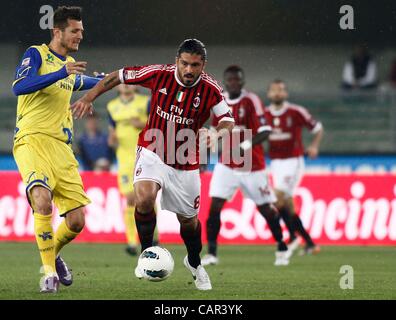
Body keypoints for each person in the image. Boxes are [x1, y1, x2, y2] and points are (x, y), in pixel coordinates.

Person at [71, 39, 235, 291]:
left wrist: (216, 134)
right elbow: (118, 77)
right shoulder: (158, 74)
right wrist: (89, 96)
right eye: (184, 64)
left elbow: (227, 120)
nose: (189, 70)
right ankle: (146, 252)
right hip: (152, 150)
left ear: (203, 65)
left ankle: (194, 263)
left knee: (189, 222)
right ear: (177, 60)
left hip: (185, 160)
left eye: (195, 65)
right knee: (144, 198)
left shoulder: (211, 88)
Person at [12, 6, 103, 293]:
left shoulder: (71, 67)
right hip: (32, 139)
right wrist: (60, 72)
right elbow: (20, 86)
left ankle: (54, 253)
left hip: (62, 149)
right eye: (75, 30)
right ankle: (48, 274)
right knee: (42, 200)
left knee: (76, 222)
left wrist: (126, 78)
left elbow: (93, 81)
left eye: (82, 31)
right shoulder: (36, 54)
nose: (80, 36)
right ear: (57, 31)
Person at [201, 65, 291, 267]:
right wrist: (205, 160)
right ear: (225, 81)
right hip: (226, 164)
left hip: (252, 166)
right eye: (230, 80)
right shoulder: (219, 100)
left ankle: (282, 246)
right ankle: (212, 253)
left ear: (242, 82)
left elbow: (266, 131)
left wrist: (245, 145)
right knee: (214, 207)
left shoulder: (251, 101)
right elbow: (213, 132)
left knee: (266, 209)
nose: (234, 83)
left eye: (237, 80)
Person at [264, 79, 323, 255]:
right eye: (274, 90)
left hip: (293, 161)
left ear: (285, 93)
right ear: (269, 94)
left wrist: (314, 146)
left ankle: (292, 237)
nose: (277, 93)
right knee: (287, 206)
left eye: (280, 90)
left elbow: (318, 128)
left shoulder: (296, 112)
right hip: (275, 162)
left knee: (277, 198)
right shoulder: (265, 114)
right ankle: (309, 243)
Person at [107, 84, 158, 256]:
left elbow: (157, 125)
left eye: (129, 82)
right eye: (122, 83)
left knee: (147, 198)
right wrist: (112, 139)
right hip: (124, 159)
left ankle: (154, 237)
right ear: (118, 87)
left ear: (136, 85)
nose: (126, 85)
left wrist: (143, 123)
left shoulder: (146, 102)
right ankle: (131, 242)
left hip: (145, 155)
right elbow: (112, 133)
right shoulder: (111, 106)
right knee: (130, 199)